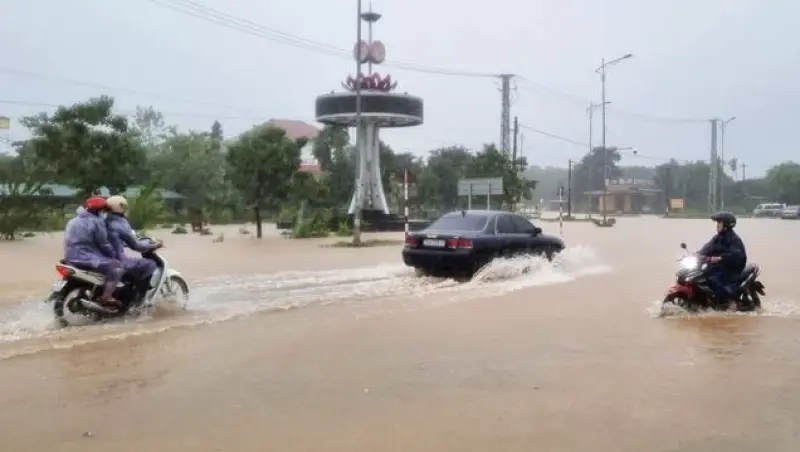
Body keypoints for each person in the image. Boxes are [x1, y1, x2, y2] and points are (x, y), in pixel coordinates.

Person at [63, 196, 124, 310]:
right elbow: (103, 244)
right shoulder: (96, 222)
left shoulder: (73, 221)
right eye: (103, 210)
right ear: (99, 210)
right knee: (117, 267)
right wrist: (114, 255)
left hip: (70, 257)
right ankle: (107, 297)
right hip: (86, 258)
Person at [105, 195, 162, 302]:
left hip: (101, 259)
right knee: (150, 264)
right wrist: (154, 245)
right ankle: (139, 300)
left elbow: (116, 240)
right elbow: (136, 246)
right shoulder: (120, 223)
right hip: (118, 260)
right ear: (121, 207)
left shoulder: (103, 220)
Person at [698, 211, 748, 309]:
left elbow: (736, 255)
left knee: (713, 280)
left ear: (726, 224)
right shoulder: (718, 238)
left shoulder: (734, 239)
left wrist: (720, 258)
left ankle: (729, 301)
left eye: (719, 223)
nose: (717, 225)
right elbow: (708, 247)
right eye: (717, 223)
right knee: (701, 276)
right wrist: (697, 254)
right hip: (717, 268)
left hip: (730, 270)